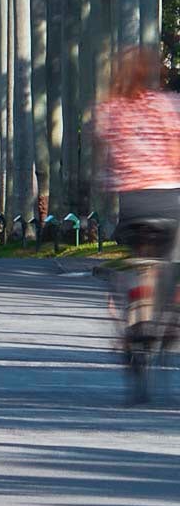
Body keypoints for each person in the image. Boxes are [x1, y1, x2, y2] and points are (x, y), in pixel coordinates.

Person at [97, 48, 180, 332]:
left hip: (132, 204)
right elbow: (176, 152)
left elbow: (106, 158)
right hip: (169, 198)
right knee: (174, 252)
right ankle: (176, 296)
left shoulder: (110, 108)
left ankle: (137, 299)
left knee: (142, 259)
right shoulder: (168, 105)